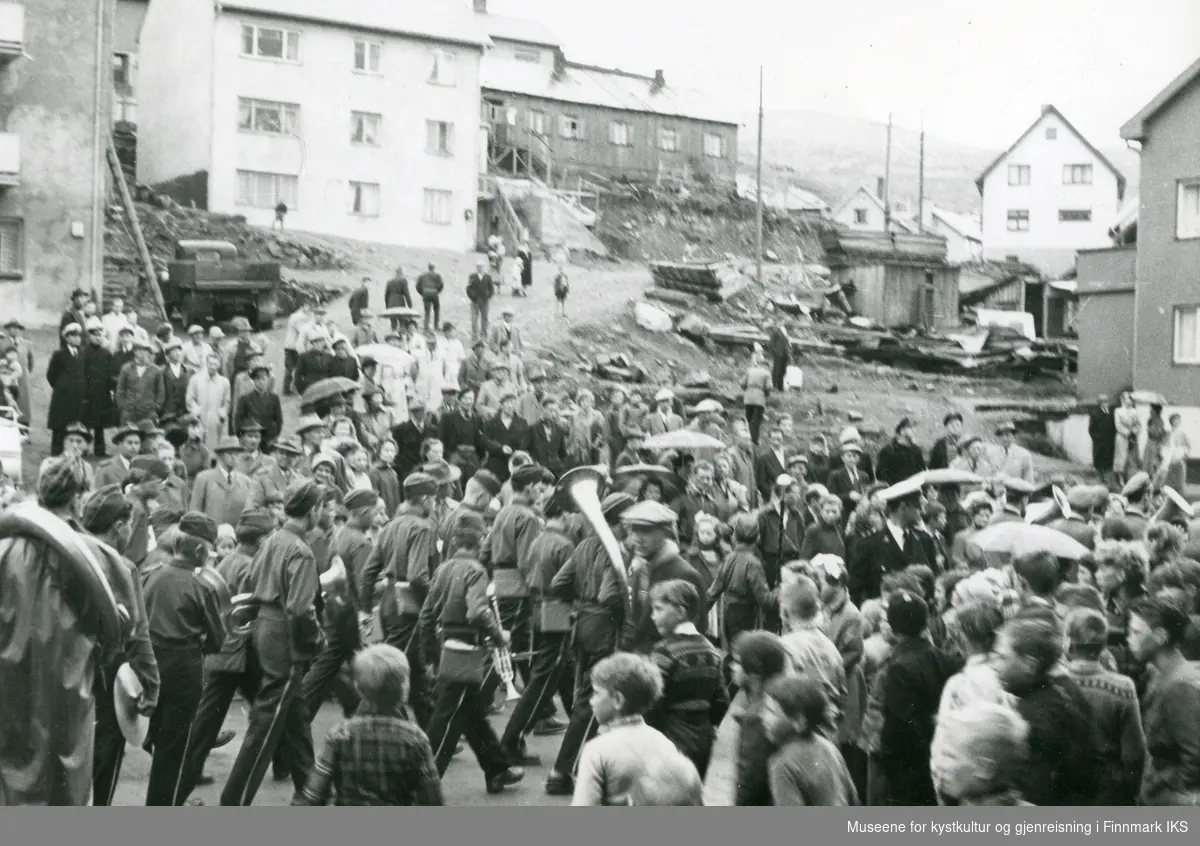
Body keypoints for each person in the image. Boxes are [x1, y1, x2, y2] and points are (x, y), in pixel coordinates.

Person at [220, 480, 324, 806]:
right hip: (284, 634)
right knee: (269, 717)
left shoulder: (272, 540)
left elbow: (252, 582)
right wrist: (317, 639)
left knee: (295, 711)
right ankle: (234, 799)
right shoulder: (301, 551)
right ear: (313, 510)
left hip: (265, 625)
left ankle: (309, 791)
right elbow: (301, 609)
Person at [417, 510, 525, 792]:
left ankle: (497, 768)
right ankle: (421, 781)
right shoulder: (475, 570)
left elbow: (426, 616)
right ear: (481, 538)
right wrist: (499, 635)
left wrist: (430, 656)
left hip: (447, 648)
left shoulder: (443, 569)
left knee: (473, 714)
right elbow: (478, 611)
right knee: (447, 720)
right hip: (467, 653)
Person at [176, 508, 275, 804]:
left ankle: (178, 792)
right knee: (212, 727)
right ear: (259, 540)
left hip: (226, 654)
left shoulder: (230, 561)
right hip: (237, 654)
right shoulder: (249, 567)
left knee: (210, 727)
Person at [544, 491, 636, 796]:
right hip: (604, 628)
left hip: (582, 623)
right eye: (629, 521)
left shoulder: (584, 545)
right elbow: (611, 595)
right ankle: (563, 771)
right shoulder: (616, 552)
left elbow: (558, 583)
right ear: (620, 522)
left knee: (587, 696)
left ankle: (580, 769)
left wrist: (581, 602)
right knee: (591, 701)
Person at [79, 484, 161, 807]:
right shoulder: (121, 567)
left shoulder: (67, 552)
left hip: (67, 670)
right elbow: (138, 636)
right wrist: (152, 685)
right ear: (118, 526)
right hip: (106, 677)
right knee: (105, 761)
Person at [140, 511, 226, 805]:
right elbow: (218, 640)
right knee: (176, 746)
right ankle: (166, 807)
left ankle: (158, 802)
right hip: (184, 667)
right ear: (201, 551)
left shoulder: (151, 575)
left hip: (151, 661)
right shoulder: (202, 586)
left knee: (161, 736)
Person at [295, 644, 444, 806]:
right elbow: (432, 798)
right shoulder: (416, 739)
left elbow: (313, 794)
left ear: (358, 688)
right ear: (405, 690)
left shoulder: (339, 734)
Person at [992, 611, 1102, 806]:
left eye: (1002, 657)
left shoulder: (1032, 717)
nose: (994, 665)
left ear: (1030, 664)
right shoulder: (1065, 686)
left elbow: (1032, 794)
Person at [357, 472, 440, 728]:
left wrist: (364, 608)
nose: (434, 505)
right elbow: (417, 576)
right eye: (433, 500)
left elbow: (368, 572)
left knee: (414, 669)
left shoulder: (391, 525)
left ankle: (430, 728)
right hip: (409, 605)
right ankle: (360, 725)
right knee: (389, 672)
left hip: (389, 604)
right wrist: (433, 604)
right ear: (425, 499)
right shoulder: (422, 526)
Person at [878, 590, 960, 805]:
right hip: (939, 753)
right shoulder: (943, 657)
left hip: (910, 766)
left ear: (892, 627)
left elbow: (901, 722)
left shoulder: (898, 668)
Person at [571, 652, 680, 806]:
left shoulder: (597, 750)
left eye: (596, 693)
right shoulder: (665, 744)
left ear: (617, 700)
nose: (591, 701)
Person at [645, 579, 728, 776]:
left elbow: (651, 702)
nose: (653, 617)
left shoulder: (664, 652)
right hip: (703, 738)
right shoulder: (711, 651)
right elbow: (721, 701)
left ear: (681, 612)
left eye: (658, 610)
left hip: (670, 737)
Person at [1063, 607, 1145, 805]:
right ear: (1103, 647)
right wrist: (1131, 790)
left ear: (1068, 644)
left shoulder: (1054, 683)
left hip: (1065, 788)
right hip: (1109, 790)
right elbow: (1134, 752)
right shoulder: (1122, 687)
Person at [1126, 596, 1200, 804]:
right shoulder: (1158, 672)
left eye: (1136, 632)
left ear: (1160, 636)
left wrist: (1169, 791)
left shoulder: (1179, 684)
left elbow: (1195, 755)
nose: (1129, 639)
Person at [760, 675, 859, 806]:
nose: (762, 716)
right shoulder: (828, 747)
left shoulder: (782, 764)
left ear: (799, 722)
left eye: (771, 712)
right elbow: (853, 799)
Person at [46, 323, 89, 456]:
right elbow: (51, 375)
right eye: (74, 336)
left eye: (79, 336)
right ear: (67, 338)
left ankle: (73, 452)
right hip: (62, 398)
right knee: (59, 427)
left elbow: (84, 372)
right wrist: (61, 386)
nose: (77, 339)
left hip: (77, 397)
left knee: (74, 426)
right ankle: (56, 453)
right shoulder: (59, 354)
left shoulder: (82, 353)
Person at [190, 436, 253, 526]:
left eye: (236, 454)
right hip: (210, 536)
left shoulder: (246, 481)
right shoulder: (204, 478)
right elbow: (194, 512)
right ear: (219, 455)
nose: (234, 457)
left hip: (237, 537)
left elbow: (249, 514)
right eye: (229, 453)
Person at [82, 317, 118, 452]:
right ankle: (84, 448)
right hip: (87, 392)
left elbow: (112, 372)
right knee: (85, 422)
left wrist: (111, 386)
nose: (97, 338)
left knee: (100, 423)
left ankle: (100, 448)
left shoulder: (107, 354)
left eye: (100, 335)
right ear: (89, 336)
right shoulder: (84, 353)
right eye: (94, 335)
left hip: (102, 392)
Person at [187, 352, 231, 447]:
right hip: (200, 418)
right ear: (206, 364)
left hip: (216, 420)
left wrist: (222, 413)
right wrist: (196, 411)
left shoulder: (224, 382)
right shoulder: (196, 379)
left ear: (219, 365)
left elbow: (227, 401)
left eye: (215, 364)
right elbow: (189, 399)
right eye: (210, 364)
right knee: (199, 445)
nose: (212, 367)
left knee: (215, 446)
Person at [875, 418, 926, 486]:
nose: (914, 431)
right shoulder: (888, 450)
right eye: (911, 428)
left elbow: (922, 471)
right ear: (902, 431)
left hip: (913, 491)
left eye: (914, 428)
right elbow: (880, 475)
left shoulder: (916, 451)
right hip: (895, 491)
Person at [741, 350, 772, 446]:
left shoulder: (749, 370)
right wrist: (766, 394)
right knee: (756, 421)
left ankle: (747, 439)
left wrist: (748, 389)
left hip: (748, 398)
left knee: (748, 419)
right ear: (765, 365)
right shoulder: (767, 373)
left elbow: (742, 384)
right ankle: (754, 441)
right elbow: (769, 387)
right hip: (759, 398)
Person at [1113, 392, 1141, 485]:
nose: (1130, 401)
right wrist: (1128, 433)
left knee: (1132, 458)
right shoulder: (1118, 411)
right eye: (1128, 399)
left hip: (1132, 438)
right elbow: (1118, 425)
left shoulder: (1134, 411)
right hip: (1122, 437)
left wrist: (1135, 431)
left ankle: (1130, 478)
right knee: (1121, 457)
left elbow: (1138, 424)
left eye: (1131, 399)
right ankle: (1120, 478)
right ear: (1123, 400)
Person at [466, 259, 494, 342]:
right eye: (478, 267)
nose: (479, 268)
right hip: (475, 301)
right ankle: (474, 335)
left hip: (485, 301)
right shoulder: (472, 276)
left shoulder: (488, 277)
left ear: (483, 267)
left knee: (484, 318)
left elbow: (491, 289)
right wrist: (473, 297)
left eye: (481, 267)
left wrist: (488, 296)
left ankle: (484, 335)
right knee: (474, 319)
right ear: (476, 267)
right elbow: (468, 288)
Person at [416, 262, 444, 332]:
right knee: (436, 309)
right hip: (434, 293)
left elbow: (417, 286)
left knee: (427, 311)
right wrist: (437, 291)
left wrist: (422, 293)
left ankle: (426, 327)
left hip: (425, 293)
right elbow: (441, 284)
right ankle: (436, 326)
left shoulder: (422, 275)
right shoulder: (437, 275)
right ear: (434, 268)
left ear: (428, 267)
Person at [766, 321, 790, 392]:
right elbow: (771, 344)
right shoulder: (776, 332)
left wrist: (788, 353)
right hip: (778, 354)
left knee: (783, 371)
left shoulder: (785, 332)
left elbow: (786, 342)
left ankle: (780, 387)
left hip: (785, 354)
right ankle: (773, 386)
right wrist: (776, 352)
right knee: (776, 370)